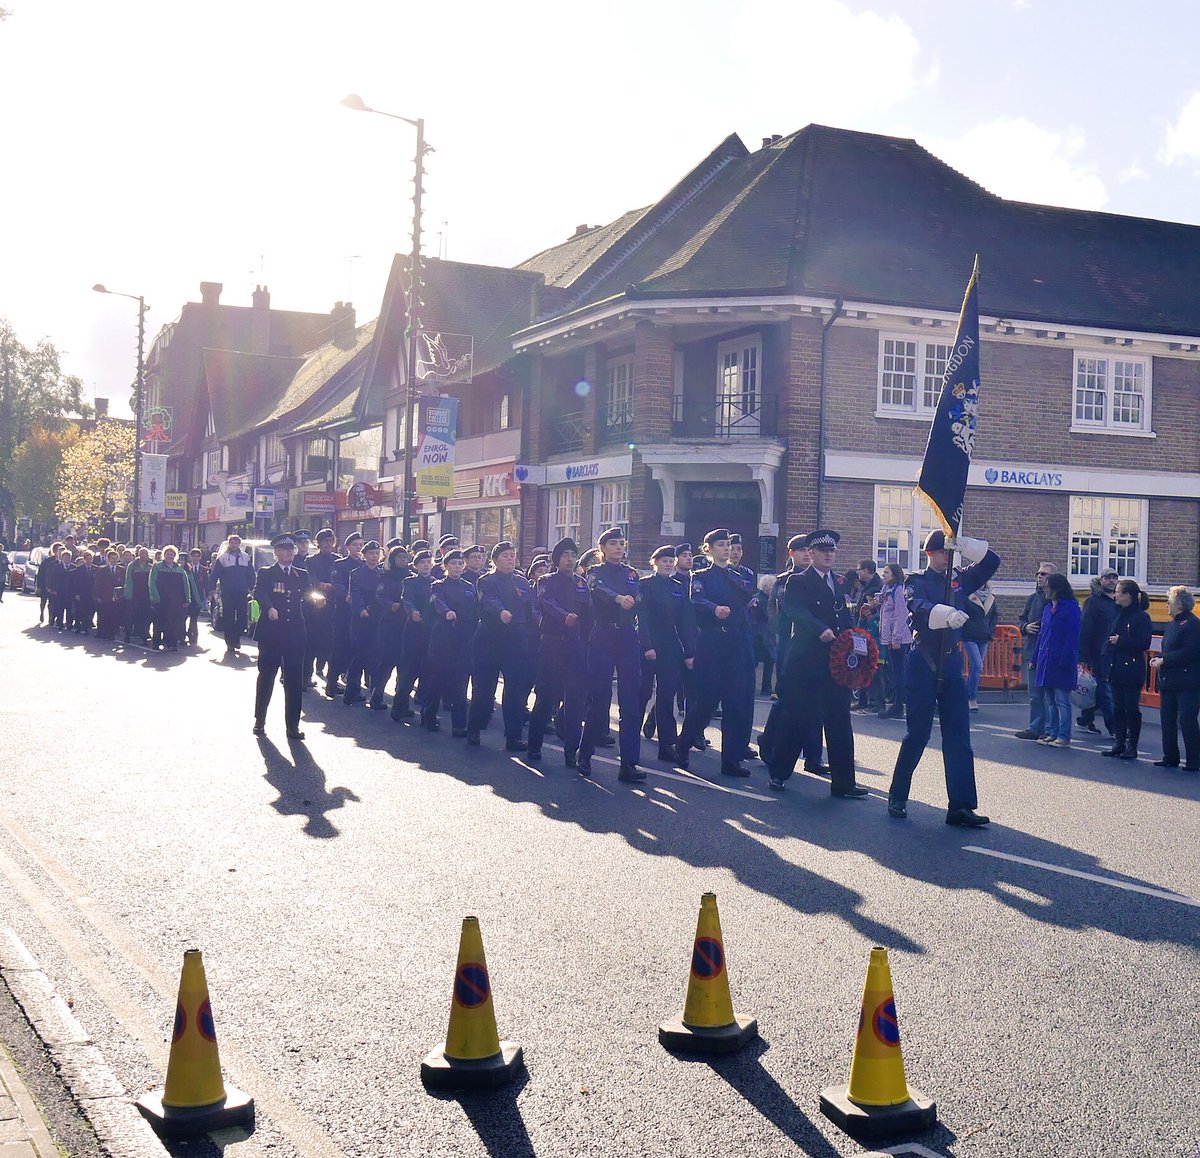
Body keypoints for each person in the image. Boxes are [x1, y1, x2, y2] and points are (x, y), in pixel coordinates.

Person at [886, 529, 1000, 826]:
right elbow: (917, 606)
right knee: (919, 732)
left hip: (949, 659)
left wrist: (967, 545)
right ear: (930, 554)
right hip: (923, 658)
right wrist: (944, 613)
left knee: (958, 733)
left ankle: (960, 806)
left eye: (950, 552)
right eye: (943, 552)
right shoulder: (916, 581)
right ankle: (898, 795)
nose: (947, 557)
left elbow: (991, 563)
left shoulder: (960, 579)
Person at [762, 529, 866, 796]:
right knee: (797, 717)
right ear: (811, 554)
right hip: (806, 660)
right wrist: (819, 628)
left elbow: (844, 617)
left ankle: (844, 783)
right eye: (823, 551)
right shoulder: (798, 581)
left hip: (835, 662)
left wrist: (854, 640)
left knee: (839, 720)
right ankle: (779, 773)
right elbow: (795, 610)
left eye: (832, 551)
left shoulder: (840, 582)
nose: (829, 555)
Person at [673, 528, 760, 779]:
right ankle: (683, 745)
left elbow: (750, 600)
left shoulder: (739, 576)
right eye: (720, 545)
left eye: (727, 544)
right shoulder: (700, 577)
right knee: (705, 702)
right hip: (713, 642)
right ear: (708, 549)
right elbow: (696, 600)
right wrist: (714, 609)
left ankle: (731, 760)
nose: (726, 549)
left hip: (737, 642)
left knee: (736, 703)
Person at [576, 528, 645, 781]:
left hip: (627, 637)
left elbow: (638, 594)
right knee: (600, 698)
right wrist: (618, 598)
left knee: (630, 701)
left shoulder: (630, 573)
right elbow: (598, 590)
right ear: (602, 548)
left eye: (621, 543)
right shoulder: (594, 572)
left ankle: (629, 764)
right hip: (603, 636)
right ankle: (584, 755)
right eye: (613, 544)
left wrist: (632, 598)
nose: (618, 547)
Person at [527, 537, 592, 763]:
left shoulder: (581, 582)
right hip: (552, 643)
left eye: (573, 555)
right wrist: (566, 617)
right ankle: (534, 745)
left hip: (575, 645)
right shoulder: (545, 580)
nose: (570, 559)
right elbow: (547, 603)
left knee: (575, 699)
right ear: (557, 559)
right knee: (546, 696)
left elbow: (590, 612)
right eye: (565, 555)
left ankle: (571, 751)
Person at [467, 542, 536, 750]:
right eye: (505, 556)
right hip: (489, 639)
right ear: (495, 560)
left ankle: (513, 737)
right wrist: (501, 612)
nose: (509, 559)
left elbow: (531, 608)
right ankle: (474, 728)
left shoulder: (522, 581)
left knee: (515, 690)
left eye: (512, 555)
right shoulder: (486, 580)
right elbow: (489, 600)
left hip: (515, 640)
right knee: (484, 689)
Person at [638, 545, 695, 763]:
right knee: (642, 694)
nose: (668, 565)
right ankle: (631, 741)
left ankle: (667, 745)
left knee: (667, 695)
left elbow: (685, 622)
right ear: (655, 562)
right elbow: (641, 618)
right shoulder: (645, 585)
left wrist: (690, 652)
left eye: (671, 561)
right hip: (649, 644)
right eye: (664, 561)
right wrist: (647, 646)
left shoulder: (679, 587)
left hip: (670, 646)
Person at [252, 534, 310, 740]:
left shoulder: (301, 574)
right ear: (276, 552)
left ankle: (292, 726)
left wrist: (317, 601)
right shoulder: (267, 572)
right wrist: (269, 608)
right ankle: (260, 720)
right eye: (285, 549)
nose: (290, 553)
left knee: (294, 681)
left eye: (292, 549)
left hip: (295, 633)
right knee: (267, 676)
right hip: (272, 634)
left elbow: (308, 595)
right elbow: (259, 592)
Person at [426, 549, 478, 735]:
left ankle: (459, 725)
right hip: (443, 639)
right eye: (453, 563)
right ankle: (429, 717)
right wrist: (447, 612)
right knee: (437, 682)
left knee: (461, 684)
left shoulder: (469, 586)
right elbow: (437, 602)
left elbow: (475, 610)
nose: (457, 567)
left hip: (463, 640)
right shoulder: (438, 585)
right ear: (446, 566)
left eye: (459, 563)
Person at [1101, 579, 1154, 761]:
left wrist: (1121, 641)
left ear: (1128, 596)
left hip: (1131, 668)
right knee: (1118, 707)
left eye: (1118, 592)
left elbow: (1144, 643)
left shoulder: (1141, 617)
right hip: (1116, 666)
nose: (1115, 595)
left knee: (1131, 708)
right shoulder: (1119, 613)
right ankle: (1119, 742)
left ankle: (1132, 745)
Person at [1151, 586, 1200, 771]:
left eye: (1169, 602)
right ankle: (1170, 756)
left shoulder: (1193, 625)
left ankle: (1194, 759)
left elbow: (1190, 652)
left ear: (1179, 605)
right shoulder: (1172, 625)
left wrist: (1165, 659)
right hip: (1170, 680)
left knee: (1187, 720)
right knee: (1167, 719)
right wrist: (1160, 657)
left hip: (1188, 682)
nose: (1167, 606)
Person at [1033, 573, 1081, 747]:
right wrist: (1035, 658)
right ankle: (1052, 732)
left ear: (1057, 588)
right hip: (1046, 660)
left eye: (1048, 586)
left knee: (1061, 700)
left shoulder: (1071, 608)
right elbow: (1042, 635)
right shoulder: (1047, 609)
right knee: (1050, 701)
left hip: (1061, 660)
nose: (1045, 589)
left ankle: (1064, 735)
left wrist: (1065, 659)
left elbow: (1072, 637)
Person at [1015, 563, 1057, 740]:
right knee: (1034, 694)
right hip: (1032, 649)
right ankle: (1035, 727)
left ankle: (1049, 729)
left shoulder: (1056, 601)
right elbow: (1021, 619)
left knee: (1049, 694)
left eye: (1044, 574)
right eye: (1038, 573)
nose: (1040, 577)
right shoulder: (1033, 598)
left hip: (1049, 652)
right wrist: (1025, 627)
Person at [393, 548, 435, 719]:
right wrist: (412, 611)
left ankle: (425, 710)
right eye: (422, 563)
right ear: (416, 565)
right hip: (413, 630)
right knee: (408, 671)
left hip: (431, 631)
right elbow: (407, 599)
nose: (426, 565)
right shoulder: (409, 582)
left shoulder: (436, 583)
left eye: (428, 562)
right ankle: (399, 708)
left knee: (428, 671)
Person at [368, 545, 411, 714]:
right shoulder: (384, 576)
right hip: (389, 624)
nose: (402, 560)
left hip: (407, 625)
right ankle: (376, 696)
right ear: (392, 559)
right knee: (386, 662)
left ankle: (402, 704)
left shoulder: (410, 577)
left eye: (405, 557)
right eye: (399, 557)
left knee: (405, 666)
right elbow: (378, 596)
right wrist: (389, 605)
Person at [1077, 567, 1119, 736]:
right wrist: (1083, 657)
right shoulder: (1093, 601)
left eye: (1114, 577)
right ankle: (1114, 728)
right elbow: (1085, 630)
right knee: (1105, 690)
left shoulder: (1118, 602)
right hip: (1097, 654)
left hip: (1113, 653)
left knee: (1098, 690)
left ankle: (1085, 719)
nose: (1111, 580)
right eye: (1107, 577)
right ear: (1101, 580)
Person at [344, 540, 384, 705]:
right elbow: (355, 593)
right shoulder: (357, 573)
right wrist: (361, 609)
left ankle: (376, 694)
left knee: (376, 657)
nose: (374, 557)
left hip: (379, 619)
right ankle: (351, 691)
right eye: (371, 553)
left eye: (376, 553)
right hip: (362, 619)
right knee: (359, 656)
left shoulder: (383, 573)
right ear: (364, 555)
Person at [328, 532, 365, 697]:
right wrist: (347, 596)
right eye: (355, 545)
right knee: (339, 648)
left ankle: (353, 686)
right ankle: (331, 683)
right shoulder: (340, 564)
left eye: (360, 545)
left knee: (356, 649)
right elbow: (336, 583)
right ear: (348, 547)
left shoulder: (366, 565)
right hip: (343, 611)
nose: (358, 548)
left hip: (358, 613)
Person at [304, 529, 338, 687]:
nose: (328, 544)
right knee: (312, 642)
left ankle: (330, 679)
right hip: (315, 606)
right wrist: (320, 584)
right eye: (325, 541)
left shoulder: (338, 560)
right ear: (318, 543)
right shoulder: (311, 560)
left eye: (331, 541)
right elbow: (309, 577)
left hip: (334, 605)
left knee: (331, 642)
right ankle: (306, 677)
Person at [876, 562, 911, 719]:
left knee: (899, 671)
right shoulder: (885, 590)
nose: (883, 575)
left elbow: (900, 614)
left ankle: (899, 705)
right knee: (894, 670)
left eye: (886, 572)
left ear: (894, 575)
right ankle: (897, 702)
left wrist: (896, 637)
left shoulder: (898, 590)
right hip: (888, 636)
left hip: (899, 637)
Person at [149, 546, 200, 652]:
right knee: (158, 622)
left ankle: (171, 643)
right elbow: (152, 582)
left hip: (175, 601)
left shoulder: (180, 569)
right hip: (161, 600)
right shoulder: (157, 567)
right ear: (164, 555)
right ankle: (156, 642)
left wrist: (187, 599)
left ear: (175, 556)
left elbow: (185, 585)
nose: (170, 556)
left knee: (173, 623)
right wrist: (155, 597)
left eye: (172, 554)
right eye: (168, 554)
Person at [211, 535, 255, 653]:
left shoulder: (245, 557)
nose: (234, 545)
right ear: (229, 544)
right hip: (228, 591)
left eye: (236, 543)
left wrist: (252, 586)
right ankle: (230, 642)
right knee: (228, 617)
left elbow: (251, 573)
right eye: (232, 542)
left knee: (242, 617)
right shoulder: (223, 558)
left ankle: (236, 638)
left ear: (239, 544)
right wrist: (212, 588)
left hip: (242, 591)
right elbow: (215, 574)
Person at [962, 580, 998, 712]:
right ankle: (971, 697)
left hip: (984, 636)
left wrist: (990, 630)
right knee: (977, 665)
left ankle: (966, 696)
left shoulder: (991, 597)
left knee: (975, 668)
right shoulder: (967, 596)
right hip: (970, 635)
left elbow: (994, 615)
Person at [93, 547, 126, 640]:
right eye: (112, 558)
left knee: (114, 615)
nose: (114, 560)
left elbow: (123, 583)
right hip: (105, 596)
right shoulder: (102, 570)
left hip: (116, 597)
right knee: (103, 615)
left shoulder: (121, 569)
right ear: (108, 559)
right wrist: (97, 596)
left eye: (116, 558)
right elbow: (98, 583)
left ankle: (112, 631)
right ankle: (101, 631)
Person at [123, 547, 154, 644]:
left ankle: (144, 636)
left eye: (146, 554)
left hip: (146, 595)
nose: (144, 556)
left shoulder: (150, 566)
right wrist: (128, 594)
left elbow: (153, 582)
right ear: (138, 555)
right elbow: (128, 580)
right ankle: (127, 635)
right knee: (130, 616)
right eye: (142, 554)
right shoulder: (132, 566)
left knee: (145, 616)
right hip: (134, 595)